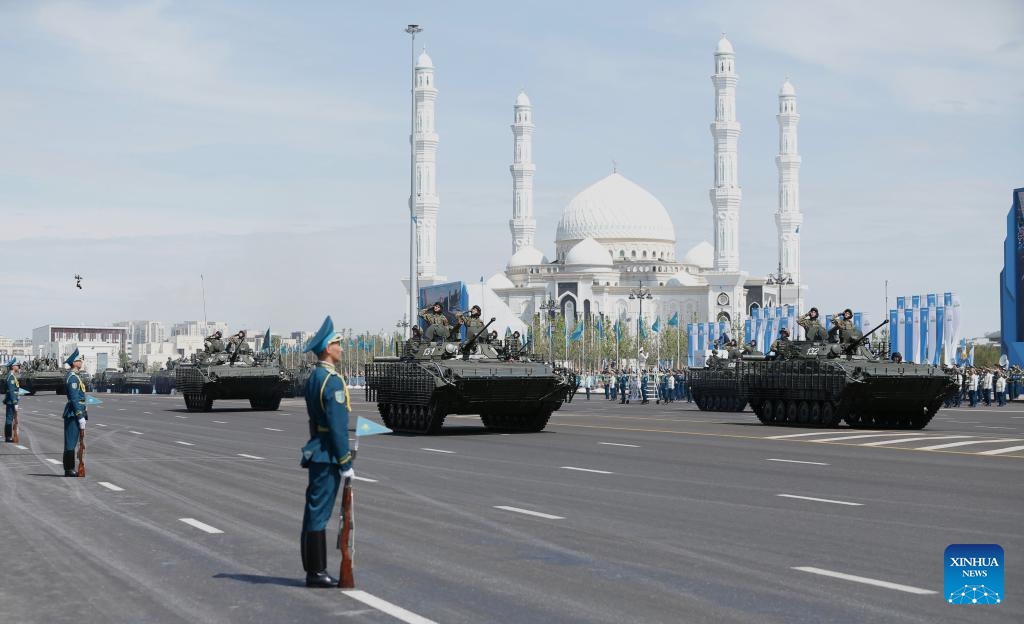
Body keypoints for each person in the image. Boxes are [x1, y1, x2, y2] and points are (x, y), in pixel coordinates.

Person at [299, 316, 354, 588]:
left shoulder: (315, 377)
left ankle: (313, 568)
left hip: (317, 450)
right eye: (338, 344)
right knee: (319, 513)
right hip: (328, 454)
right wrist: (345, 460)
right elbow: (337, 425)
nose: (341, 348)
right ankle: (316, 572)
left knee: (313, 511)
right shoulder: (330, 381)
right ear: (327, 348)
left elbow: (315, 422)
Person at [62, 349, 88, 477]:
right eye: (79, 360)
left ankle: (70, 468)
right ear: (74, 362)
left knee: (74, 441)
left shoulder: (76, 376)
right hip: (73, 413)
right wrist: (80, 416)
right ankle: (69, 469)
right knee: (71, 442)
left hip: (77, 412)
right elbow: (74, 398)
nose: (81, 361)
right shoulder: (72, 378)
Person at [4, 358, 20, 442]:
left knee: (10, 418)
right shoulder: (11, 377)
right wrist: (14, 401)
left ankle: (8, 436)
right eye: (17, 365)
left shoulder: (12, 375)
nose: (18, 367)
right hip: (11, 401)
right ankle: (8, 437)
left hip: (11, 400)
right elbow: (11, 390)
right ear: (13, 366)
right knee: (9, 418)